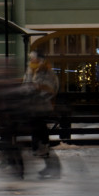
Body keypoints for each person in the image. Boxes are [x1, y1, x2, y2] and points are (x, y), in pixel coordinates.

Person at [24, 50, 63, 180]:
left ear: (39, 59)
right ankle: (50, 166)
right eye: (30, 58)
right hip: (31, 108)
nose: (31, 60)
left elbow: (51, 89)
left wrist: (37, 93)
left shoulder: (47, 72)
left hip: (41, 108)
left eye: (33, 58)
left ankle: (53, 167)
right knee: (39, 137)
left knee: (42, 138)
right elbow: (25, 86)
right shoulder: (30, 71)